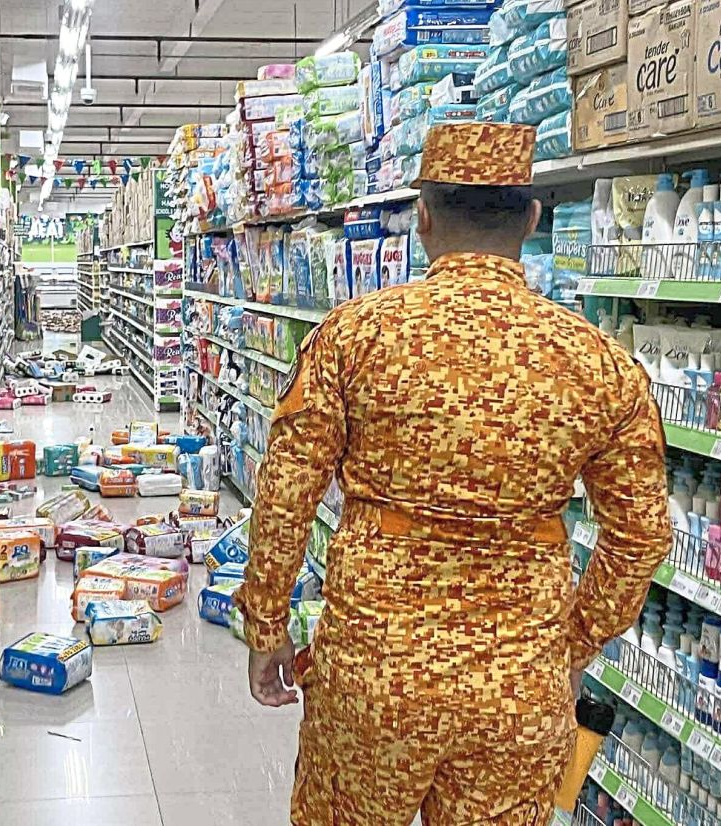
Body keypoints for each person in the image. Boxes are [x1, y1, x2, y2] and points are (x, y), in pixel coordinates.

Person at [233, 122, 672, 825]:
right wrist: (571, 640)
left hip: (374, 675)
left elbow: (287, 495)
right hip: (519, 689)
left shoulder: (354, 336)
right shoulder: (600, 363)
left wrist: (267, 628)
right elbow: (642, 534)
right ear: (531, 218)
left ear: (423, 217)